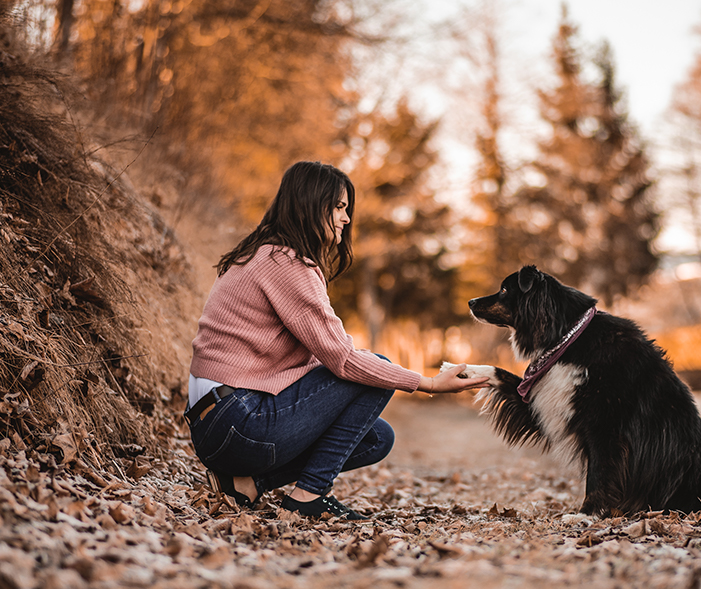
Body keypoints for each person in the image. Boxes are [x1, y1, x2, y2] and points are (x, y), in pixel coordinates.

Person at [186, 161, 488, 520]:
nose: (346, 219)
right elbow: (343, 360)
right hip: (237, 421)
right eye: (338, 207)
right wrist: (428, 383)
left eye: (347, 209)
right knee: (377, 370)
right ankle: (307, 498)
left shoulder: (264, 254)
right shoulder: (287, 264)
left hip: (218, 422)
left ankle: (249, 483)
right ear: (311, 203)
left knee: (377, 438)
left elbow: (318, 357)